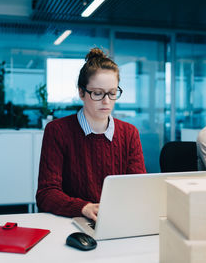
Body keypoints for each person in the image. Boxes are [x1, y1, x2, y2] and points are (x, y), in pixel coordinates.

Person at [36, 48, 146, 221]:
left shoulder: (129, 133)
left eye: (112, 93)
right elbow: (46, 194)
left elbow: (138, 189)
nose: (106, 101)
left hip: (117, 220)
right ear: (81, 92)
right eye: (97, 93)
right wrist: (83, 207)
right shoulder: (57, 131)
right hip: (72, 221)